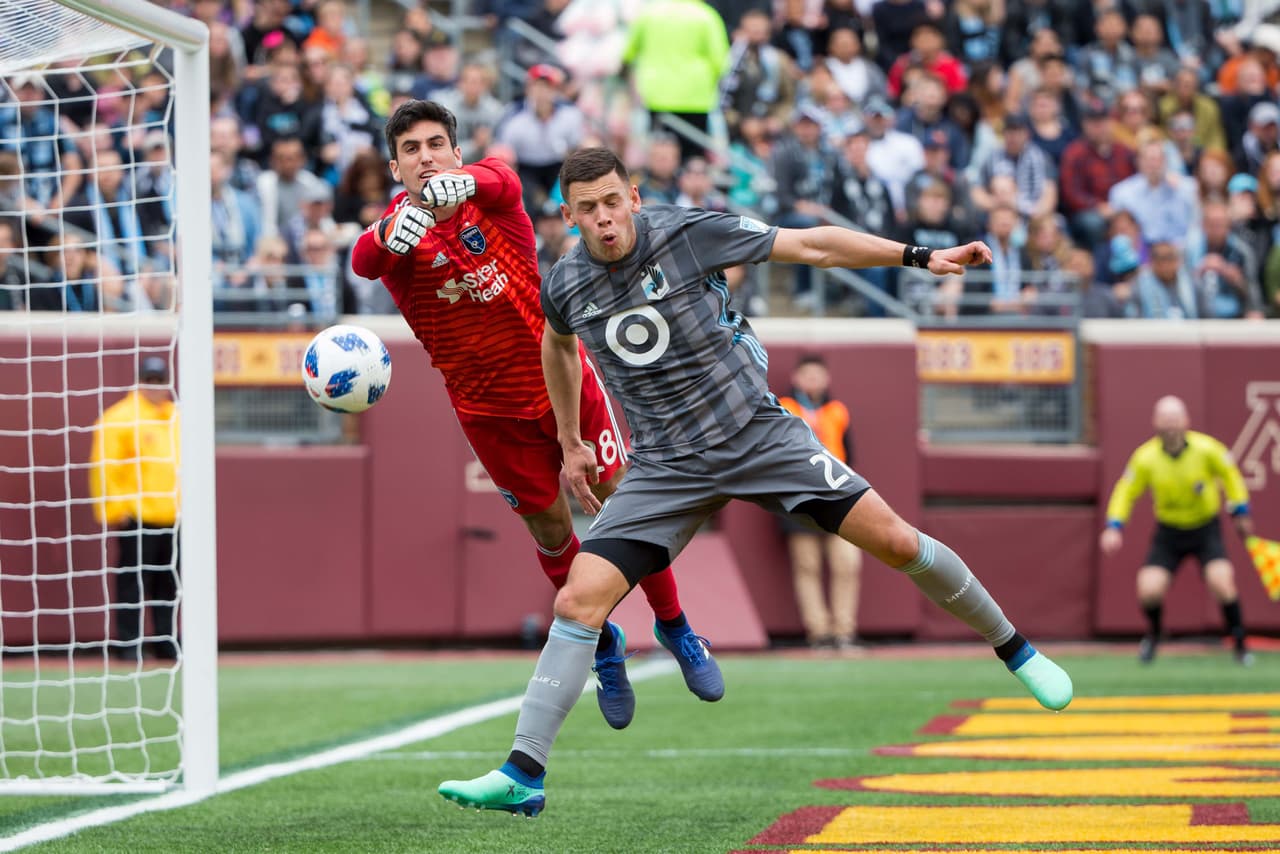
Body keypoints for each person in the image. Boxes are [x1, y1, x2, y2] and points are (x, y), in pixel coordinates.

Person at [437, 145, 1074, 817]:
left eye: (613, 203)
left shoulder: (687, 233)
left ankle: (1016, 649)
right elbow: (557, 345)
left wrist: (917, 256)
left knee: (895, 542)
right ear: (568, 215)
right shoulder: (565, 282)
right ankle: (523, 772)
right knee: (576, 602)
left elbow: (815, 246)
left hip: (756, 434)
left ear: (634, 199)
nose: (603, 219)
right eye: (587, 209)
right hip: (665, 465)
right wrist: (570, 440)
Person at [348, 101, 722, 731]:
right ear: (395, 168)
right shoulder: (396, 235)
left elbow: (507, 181)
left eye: (437, 144)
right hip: (487, 414)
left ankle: (676, 627)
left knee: (627, 505)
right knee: (551, 534)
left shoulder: (488, 196)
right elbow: (362, 262)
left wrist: (462, 185)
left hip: (563, 385)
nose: (426, 157)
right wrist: (386, 236)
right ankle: (604, 645)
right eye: (411, 150)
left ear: (456, 153)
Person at [1100, 395, 1255, 665]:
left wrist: (1241, 511)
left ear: (1186, 421)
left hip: (1205, 528)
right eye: (1165, 420)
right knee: (1148, 589)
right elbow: (1125, 491)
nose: (1170, 426)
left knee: (1222, 582)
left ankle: (1240, 644)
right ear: (1155, 423)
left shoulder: (1207, 449)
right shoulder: (1145, 457)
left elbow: (1232, 477)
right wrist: (1114, 526)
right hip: (1169, 532)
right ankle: (1156, 633)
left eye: (1175, 419)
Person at [88, 356, 180, 663]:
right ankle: (129, 643)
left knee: (169, 584)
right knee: (132, 583)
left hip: (172, 514)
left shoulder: (175, 417)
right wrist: (114, 509)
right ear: (139, 381)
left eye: (159, 381)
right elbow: (104, 467)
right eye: (149, 381)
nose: (155, 387)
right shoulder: (120, 418)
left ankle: (166, 642)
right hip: (138, 515)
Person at [777, 356, 863, 650]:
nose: (813, 380)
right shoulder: (784, 407)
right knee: (807, 566)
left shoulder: (837, 411)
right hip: (798, 498)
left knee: (847, 564)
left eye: (818, 374)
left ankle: (844, 631)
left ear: (827, 379)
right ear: (796, 377)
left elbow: (849, 457)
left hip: (837, 496)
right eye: (807, 374)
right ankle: (819, 633)